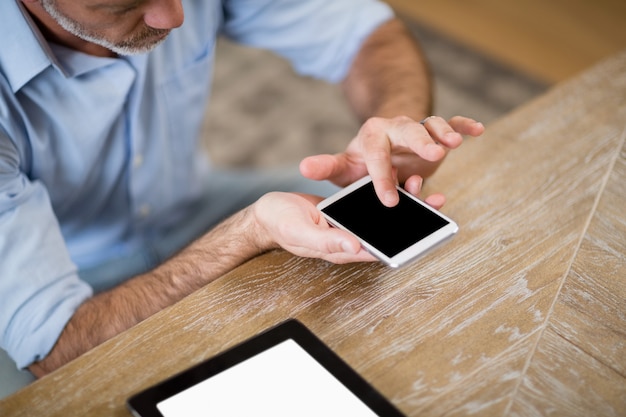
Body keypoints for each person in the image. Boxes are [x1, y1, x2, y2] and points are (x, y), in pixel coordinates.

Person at [0, 0, 484, 395]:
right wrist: (247, 233)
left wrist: (395, 126)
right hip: (58, 280)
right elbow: (54, 344)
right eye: (127, 3)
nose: (174, 17)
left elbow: (367, 32)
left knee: (416, 244)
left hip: (189, 204)